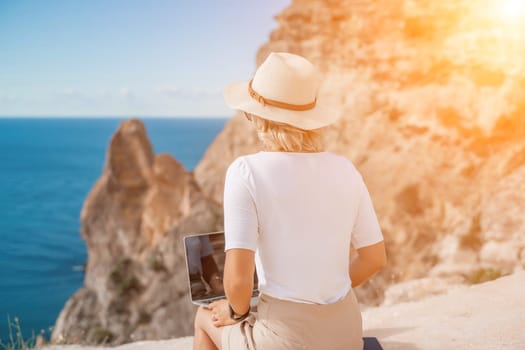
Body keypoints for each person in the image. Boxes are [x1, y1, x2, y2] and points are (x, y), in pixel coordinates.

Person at [193, 52, 386, 350]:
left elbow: (237, 283)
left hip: (286, 341)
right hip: (346, 333)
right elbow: (374, 258)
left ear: (257, 117)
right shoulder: (346, 169)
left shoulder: (246, 172)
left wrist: (234, 312)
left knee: (204, 319)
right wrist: (321, 294)